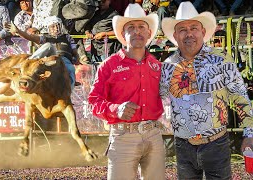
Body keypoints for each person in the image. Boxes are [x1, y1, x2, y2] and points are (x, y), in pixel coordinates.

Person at [160, 2, 253, 179]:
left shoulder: (221, 59)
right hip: (183, 146)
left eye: (193, 28)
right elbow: (159, 100)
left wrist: (250, 134)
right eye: (182, 29)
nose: (188, 34)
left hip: (216, 144)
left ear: (203, 32)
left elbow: (240, 96)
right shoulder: (168, 66)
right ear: (175, 36)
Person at [88, 3, 165, 180]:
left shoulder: (158, 67)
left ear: (149, 33)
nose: (137, 31)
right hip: (122, 136)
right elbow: (93, 101)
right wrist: (116, 109)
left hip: (154, 134)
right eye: (131, 27)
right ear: (123, 35)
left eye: (141, 27)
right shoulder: (108, 65)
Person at [8, 16, 78, 89]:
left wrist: (77, 57)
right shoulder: (45, 37)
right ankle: (27, 63)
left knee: (71, 68)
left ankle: (69, 89)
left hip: (64, 60)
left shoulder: (67, 37)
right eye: (53, 26)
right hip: (50, 59)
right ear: (48, 28)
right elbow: (30, 37)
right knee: (48, 45)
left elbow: (74, 50)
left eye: (58, 26)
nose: (56, 28)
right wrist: (18, 31)